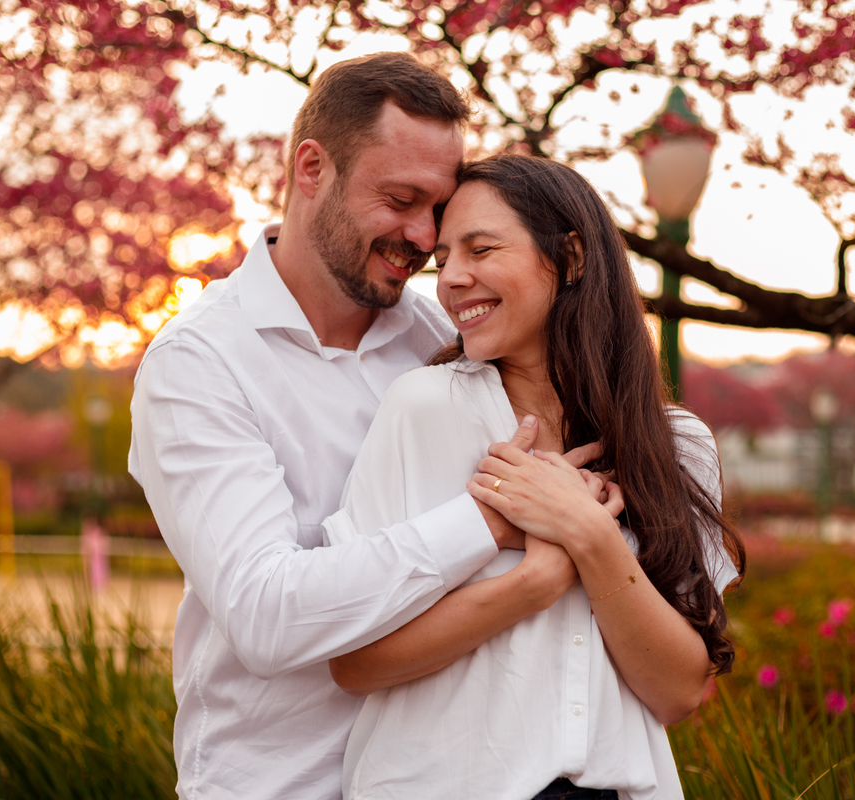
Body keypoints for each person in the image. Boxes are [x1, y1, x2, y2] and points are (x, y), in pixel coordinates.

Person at [128, 54, 606, 800]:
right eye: (400, 199)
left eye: (438, 213)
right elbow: (266, 614)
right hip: (277, 786)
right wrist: (487, 521)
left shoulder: (448, 335)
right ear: (311, 168)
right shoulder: (199, 363)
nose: (422, 238)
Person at [325, 155, 746, 800]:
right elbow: (355, 662)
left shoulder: (677, 444)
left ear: (571, 258)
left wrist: (589, 537)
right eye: (443, 261)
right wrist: (538, 578)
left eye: (482, 249)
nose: (453, 279)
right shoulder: (424, 410)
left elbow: (680, 689)